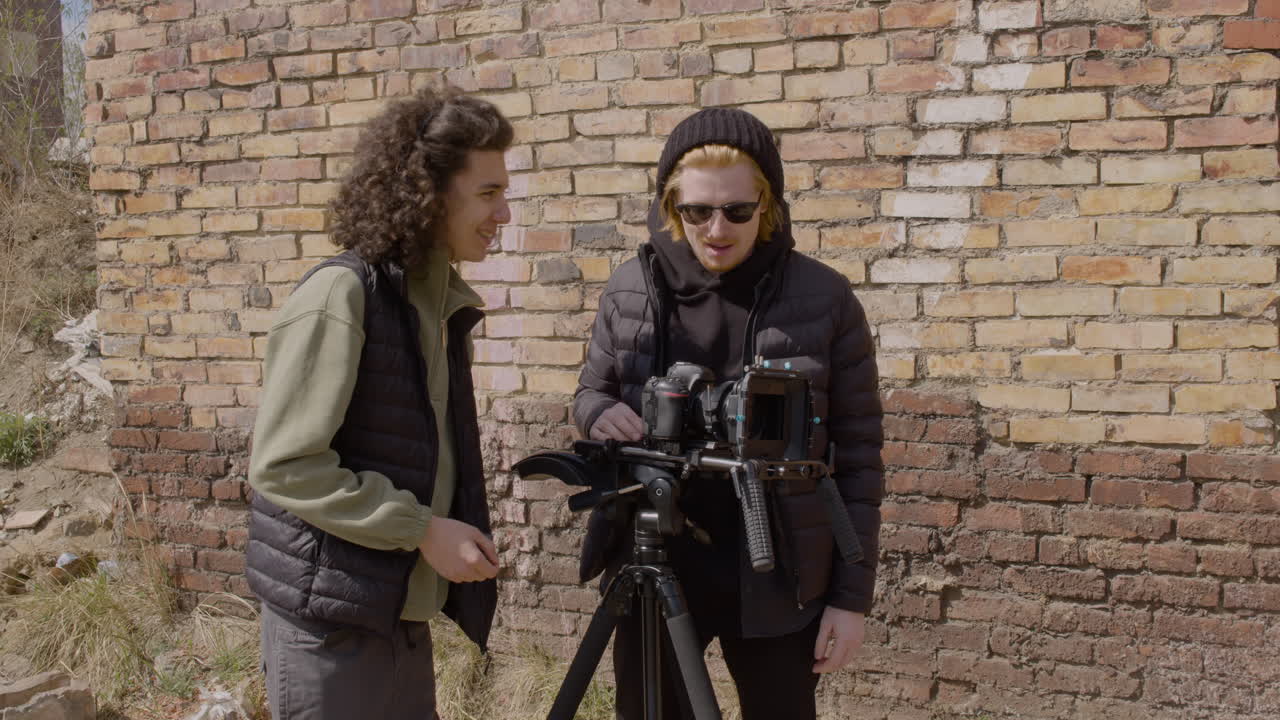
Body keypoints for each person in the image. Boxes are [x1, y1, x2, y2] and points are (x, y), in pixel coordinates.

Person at [573, 107, 884, 720]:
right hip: (654, 552)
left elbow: (858, 458)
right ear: (671, 206)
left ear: (767, 204)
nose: (717, 229)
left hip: (778, 567)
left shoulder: (824, 298)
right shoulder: (632, 288)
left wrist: (851, 600)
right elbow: (590, 393)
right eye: (697, 211)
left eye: (738, 211)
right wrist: (597, 413)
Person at [245, 85, 513, 720]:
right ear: (429, 193)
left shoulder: (437, 302)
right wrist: (422, 529)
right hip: (330, 630)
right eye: (488, 193)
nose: (503, 213)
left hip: (392, 613)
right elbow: (284, 466)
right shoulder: (342, 296)